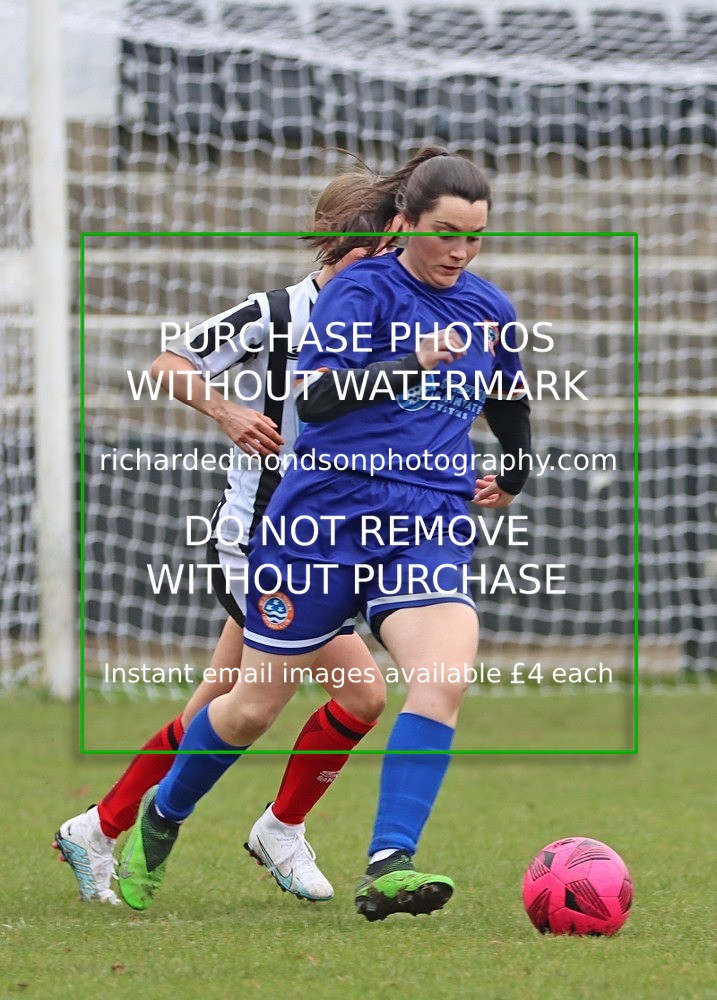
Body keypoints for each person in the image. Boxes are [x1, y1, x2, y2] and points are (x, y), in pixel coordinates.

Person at [116, 149, 532, 919]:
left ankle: (390, 860)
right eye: (445, 233)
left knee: (440, 680)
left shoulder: (486, 306)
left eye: (475, 237)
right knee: (248, 708)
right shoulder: (362, 291)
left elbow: (507, 396)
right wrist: (411, 361)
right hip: (320, 524)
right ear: (403, 224)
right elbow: (320, 398)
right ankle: (163, 816)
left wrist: (512, 468)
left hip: (425, 520)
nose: (459, 252)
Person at [53, 160, 423, 906]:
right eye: (371, 254)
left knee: (218, 706)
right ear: (334, 248)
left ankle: (99, 826)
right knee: (356, 695)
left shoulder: (392, 322)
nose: (382, 268)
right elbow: (168, 362)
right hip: (260, 543)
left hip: (331, 540)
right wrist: (225, 410)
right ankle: (279, 828)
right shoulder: (279, 313)